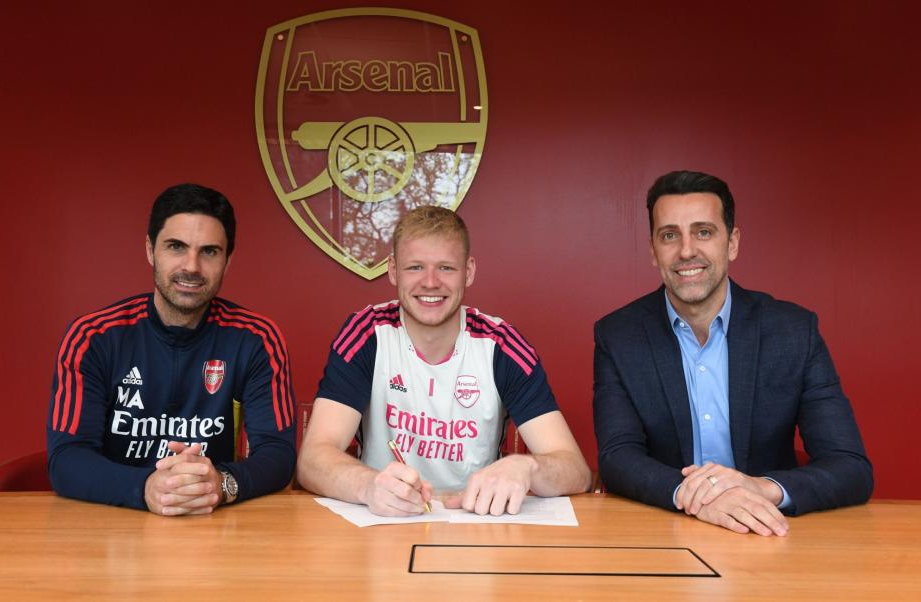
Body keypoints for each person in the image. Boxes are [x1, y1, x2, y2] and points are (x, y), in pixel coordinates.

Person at [593, 170, 873, 536]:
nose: (687, 250)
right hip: (665, 533)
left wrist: (760, 488)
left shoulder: (793, 331)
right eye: (669, 235)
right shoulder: (619, 335)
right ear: (652, 250)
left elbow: (850, 467)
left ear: (732, 242)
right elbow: (617, 457)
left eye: (703, 232)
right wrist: (694, 496)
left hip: (768, 533)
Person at [297, 206, 591, 516]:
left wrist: (527, 467)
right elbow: (313, 459)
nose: (431, 282)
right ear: (393, 270)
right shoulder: (366, 334)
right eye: (415, 267)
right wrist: (369, 485)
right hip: (383, 521)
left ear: (469, 271)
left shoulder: (502, 346)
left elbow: (576, 471)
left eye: (446, 268)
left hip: (478, 526)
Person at [47, 183, 296, 515]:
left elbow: (279, 454)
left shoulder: (257, 338)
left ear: (228, 260)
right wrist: (146, 488)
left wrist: (220, 484)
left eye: (209, 251)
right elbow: (66, 460)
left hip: (211, 526)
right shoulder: (93, 337)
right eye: (176, 246)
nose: (191, 266)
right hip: (111, 528)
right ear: (151, 250)